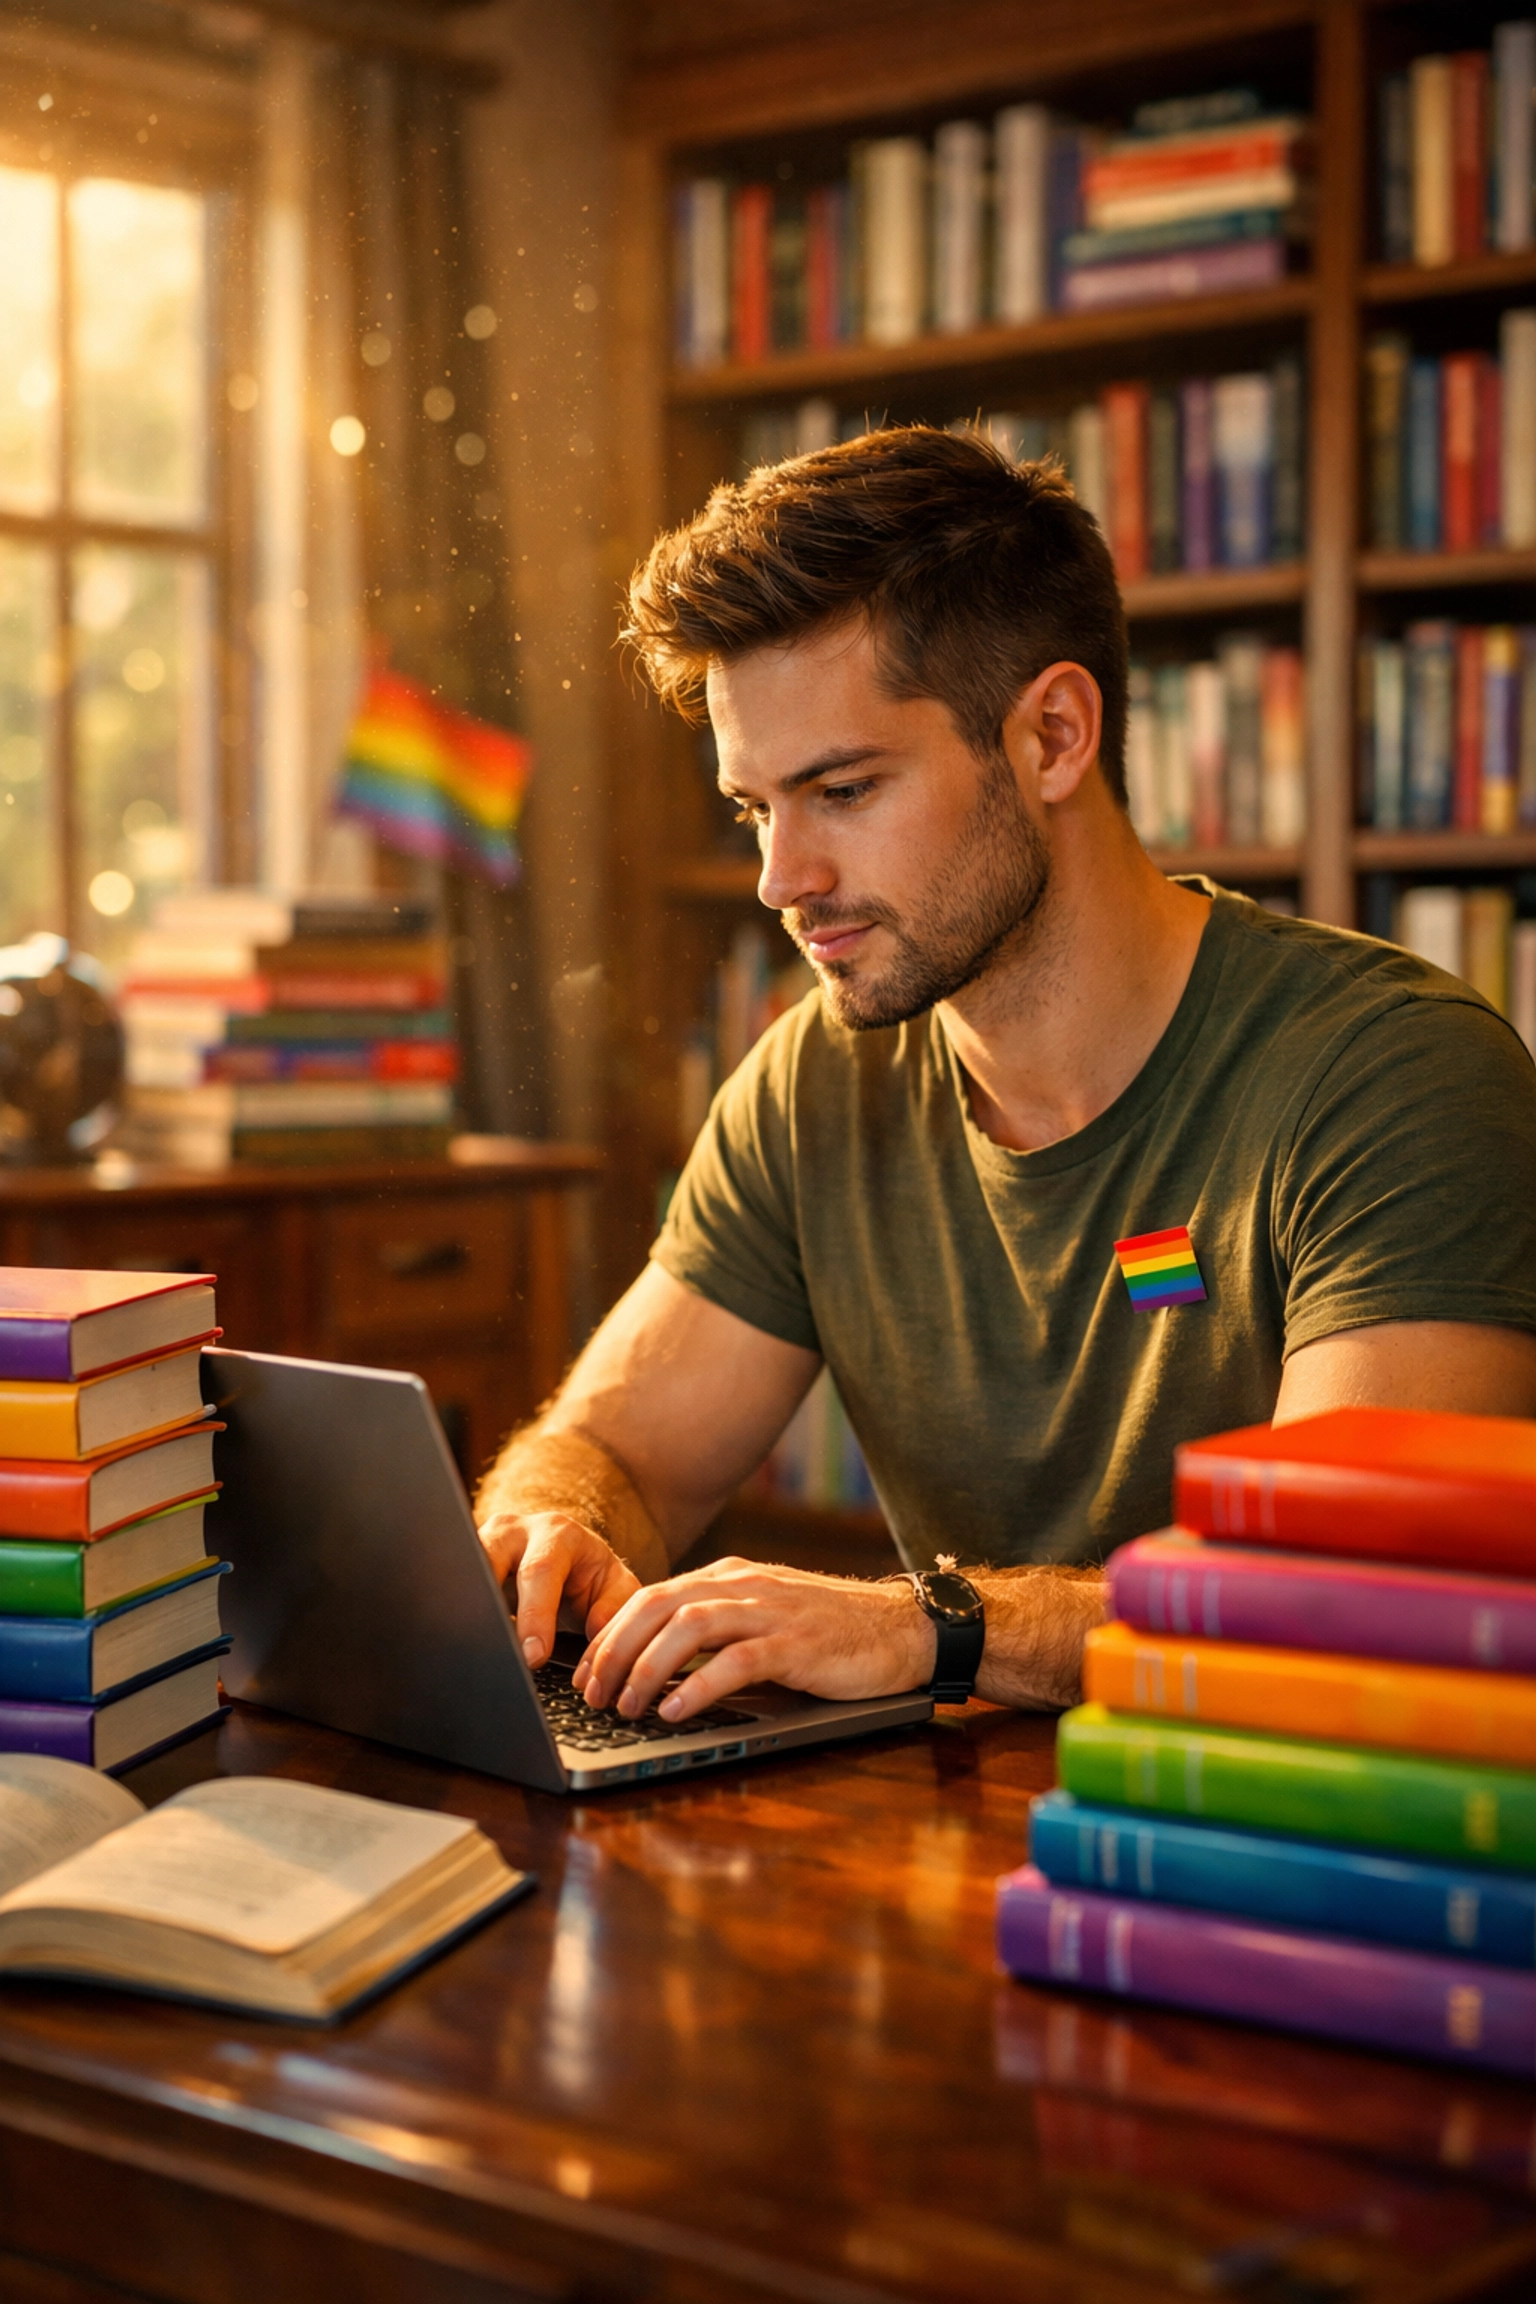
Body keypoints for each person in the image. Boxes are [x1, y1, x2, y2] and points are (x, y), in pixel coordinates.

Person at [475, 425, 1536, 1728]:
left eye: (843, 789)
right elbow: (617, 1452)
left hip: (1305, 1862)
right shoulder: (815, 1082)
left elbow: (1352, 1590)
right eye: (755, 808)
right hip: (961, 1850)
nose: (779, 878)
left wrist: (930, 1627)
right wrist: (547, 1530)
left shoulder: (1395, 1076)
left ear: (1053, 737)